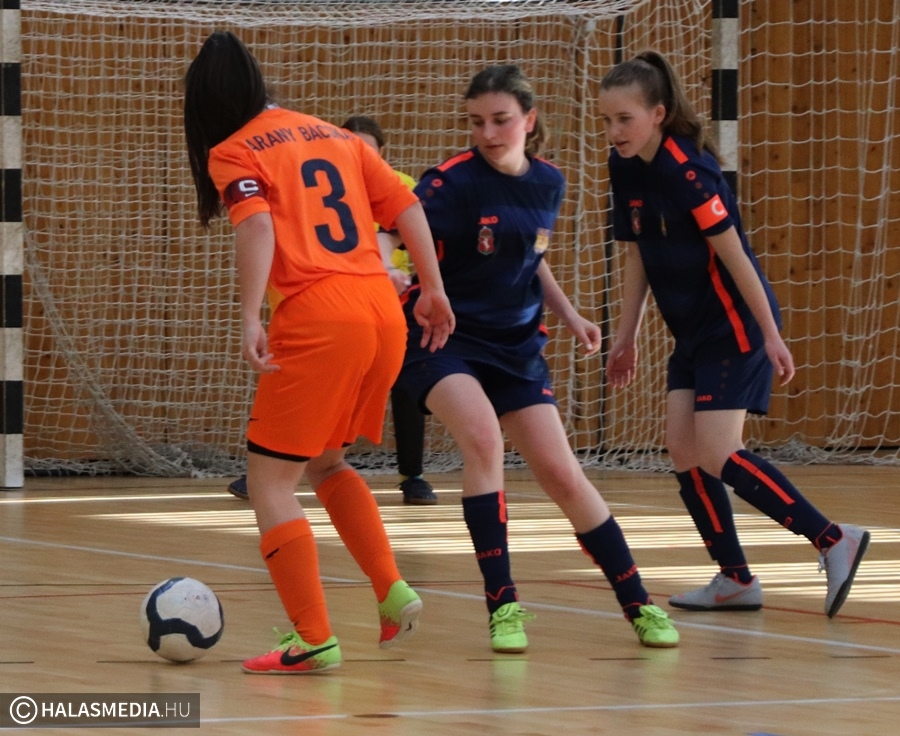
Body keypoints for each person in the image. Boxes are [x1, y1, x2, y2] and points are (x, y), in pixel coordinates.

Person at [183, 31, 454, 674]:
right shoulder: (334, 134)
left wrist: (250, 314)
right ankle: (391, 590)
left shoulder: (232, 149)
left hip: (320, 318)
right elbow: (407, 206)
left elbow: (257, 225)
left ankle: (312, 638)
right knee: (327, 463)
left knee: (268, 482)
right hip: (382, 314)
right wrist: (433, 288)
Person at [395, 64, 680, 652]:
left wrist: (570, 314)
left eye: (500, 120)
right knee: (483, 441)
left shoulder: (549, 182)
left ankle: (639, 604)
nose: (487, 133)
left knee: (562, 473)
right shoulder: (450, 183)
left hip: (517, 347)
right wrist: (399, 277)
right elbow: (390, 230)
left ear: (529, 120)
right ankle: (503, 606)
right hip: (444, 340)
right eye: (476, 122)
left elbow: (530, 255)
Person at [597, 50, 869, 617]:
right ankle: (735, 578)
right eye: (607, 120)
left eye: (625, 119)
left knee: (719, 451)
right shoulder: (624, 167)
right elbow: (638, 254)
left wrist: (771, 334)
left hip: (733, 324)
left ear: (658, 114)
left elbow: (737, 256)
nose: (614, 130)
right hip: (691, 331)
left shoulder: (689, 172)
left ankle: (832, 538)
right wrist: (625, 336)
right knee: (682, 448)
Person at [225, 116, 438, 505]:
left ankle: (412, 474)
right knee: (325, 453)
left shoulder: (392, 183)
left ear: (382, 154)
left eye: (367, 150)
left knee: (403, 390)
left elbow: (397, 230)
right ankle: (281, 465)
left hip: (367, 308)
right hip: (361, 307)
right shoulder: (321, 181)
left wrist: (426, 285)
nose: (358, 154)